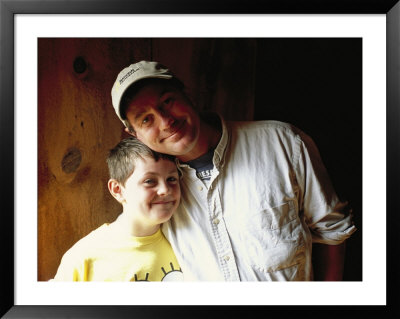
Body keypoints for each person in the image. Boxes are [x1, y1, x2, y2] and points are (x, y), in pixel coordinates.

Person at [110, 60, 357, 281]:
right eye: (146, 119)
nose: (165, 121)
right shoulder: (157, 192)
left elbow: (333, 231)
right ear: (134, 135)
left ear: (187, 94)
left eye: (167, 102)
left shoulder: (283, 143)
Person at [52, 137, 183, 281]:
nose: (165, 190)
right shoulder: (83, 257)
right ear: (117, 190)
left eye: (171, 179)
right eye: (149, 181)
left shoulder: (185, 242)